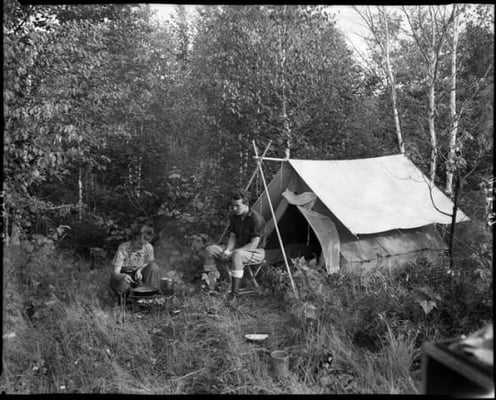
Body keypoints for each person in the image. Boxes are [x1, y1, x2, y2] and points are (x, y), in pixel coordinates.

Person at [203, 189, 265, 301]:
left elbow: (253, 245)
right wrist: (227, 251)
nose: (234, 208)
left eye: (237, 206)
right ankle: (211, 286)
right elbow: (232, 236)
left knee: (236, 254)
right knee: (209, 250)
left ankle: (234, 295)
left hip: (255, 252)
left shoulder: (256, 219)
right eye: (233, 206)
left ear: (246, 204)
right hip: (237, 249)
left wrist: (232, 253)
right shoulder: (234, 216)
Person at [109, 223, 160, 301]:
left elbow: (147, 263)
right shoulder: (123, 248)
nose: (142, 247)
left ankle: (149, 296)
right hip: (123, 276)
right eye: (139, 243)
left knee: (154, 267)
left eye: (144, 244)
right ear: (133, 238)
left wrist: (140, 270)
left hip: (137, 277)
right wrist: (123, 276)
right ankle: (124, 300)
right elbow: (115, 273)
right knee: (124, 284)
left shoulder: (148, 247)